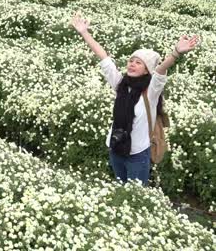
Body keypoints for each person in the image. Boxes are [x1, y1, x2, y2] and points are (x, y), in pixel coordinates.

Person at [70, 11, 199, 186]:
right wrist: (84, 32)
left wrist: (176, 53)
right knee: (121, 188)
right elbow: (104, 57)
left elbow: (160, 71)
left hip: (138, 154)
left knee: (136, 194)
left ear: (147, 70)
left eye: (139, 62)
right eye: (131, 60)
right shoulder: (121, 84)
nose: (132, 64)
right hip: (115, 147)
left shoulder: (150, 91)